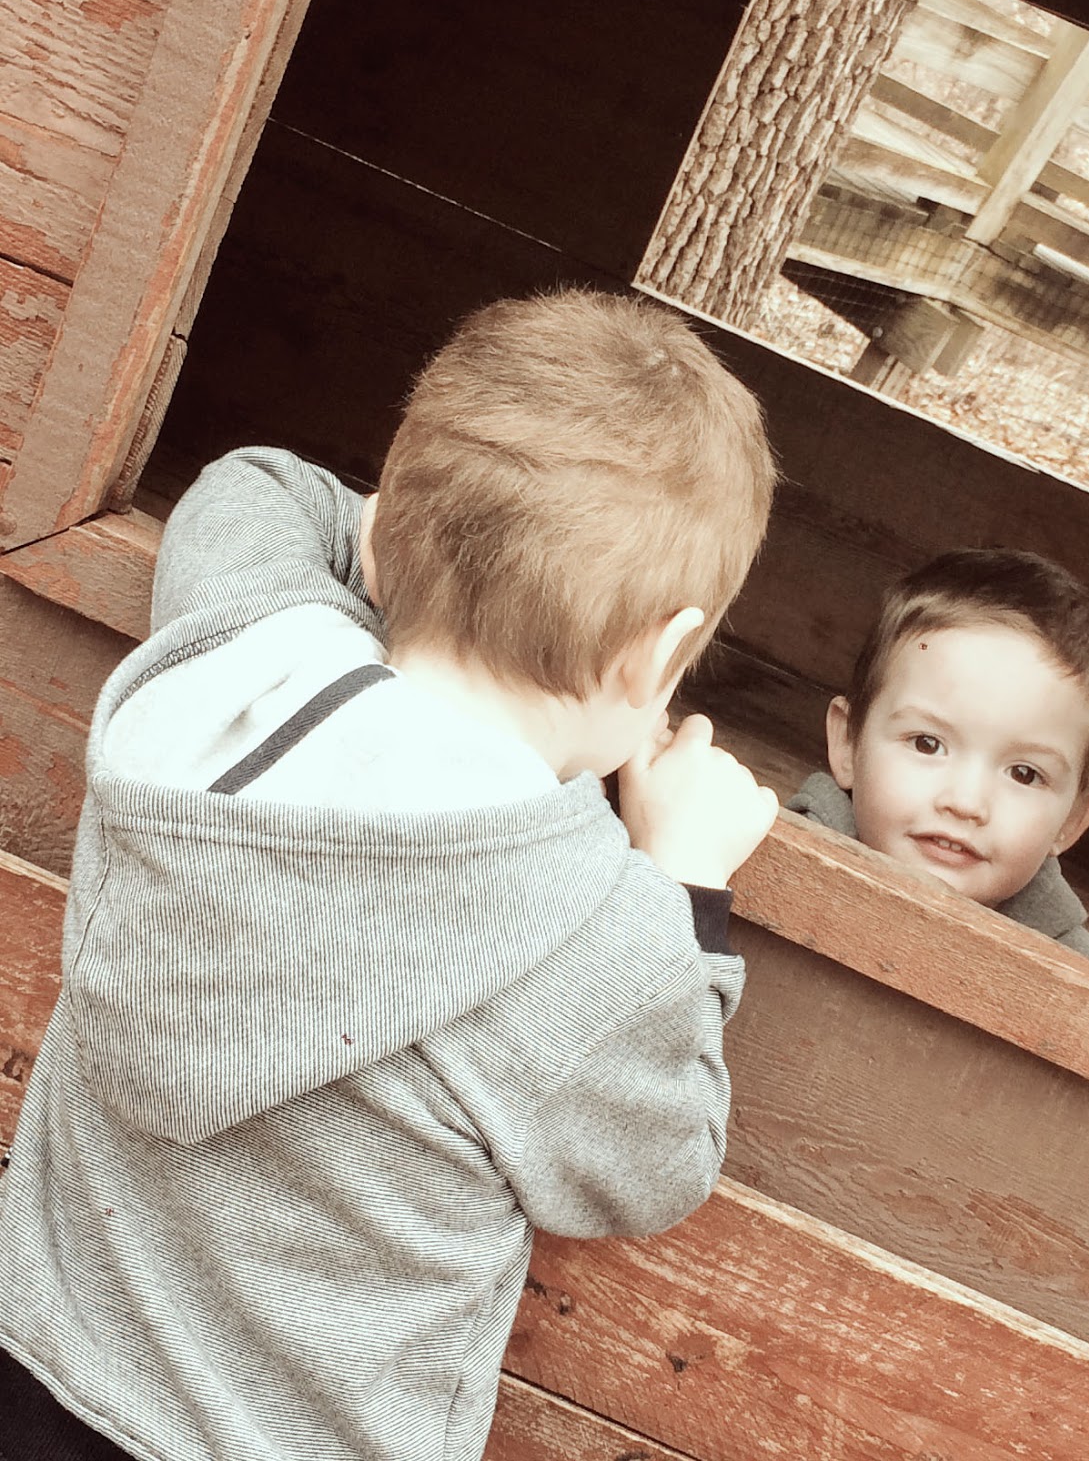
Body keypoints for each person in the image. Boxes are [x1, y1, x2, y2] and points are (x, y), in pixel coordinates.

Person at [0, 290, 779, 1461]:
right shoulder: (596, 928)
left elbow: (253, 487)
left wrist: (427, 543)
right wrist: (687, 886)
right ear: (660, 653)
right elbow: (657, 1163)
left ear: (380, 539)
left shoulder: (248, 642)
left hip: (30, 1364)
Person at [788, 548, 1089, 963]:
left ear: (1073, 820)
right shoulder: (759, 856)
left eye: (1024, 773)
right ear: (848, 743)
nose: (965, 803)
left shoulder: (1071, 972)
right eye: (927, 743)